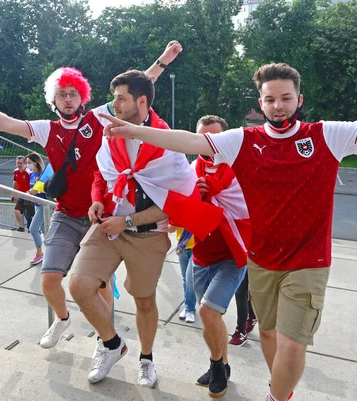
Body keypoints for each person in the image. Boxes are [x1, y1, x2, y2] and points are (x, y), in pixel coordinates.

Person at [98, 50, 357, 401]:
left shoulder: (325, 136)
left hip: (308, 262)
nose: (278, 106)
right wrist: (134, 131)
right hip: (262, 259)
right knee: (268, 333)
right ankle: (281, 389)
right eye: (270, 99)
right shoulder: (244, 140)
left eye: (286, 98)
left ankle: (277, 396)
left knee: (293, 343)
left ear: (299, 100)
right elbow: (191, 141)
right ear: (261, 103)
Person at [0, 41, 183, 350]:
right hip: (67, 213)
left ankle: (106, 341)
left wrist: (164, 60)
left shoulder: (99, 118)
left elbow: (137, 90)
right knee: (49, 279)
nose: (69, 99)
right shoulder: (46, 129)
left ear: (82, 96)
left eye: (73, 93)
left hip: (102, 217)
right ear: (54, 99)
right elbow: (6, 123)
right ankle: (62, 319)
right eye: (62, 94)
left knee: (98, 286)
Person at [68, 69, 224, 389]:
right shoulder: (111, 131)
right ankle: (112, 345)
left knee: (144, 302)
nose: (114, 105)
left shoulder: (167, 141)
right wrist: (97, 200)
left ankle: (146, 359)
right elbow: (103, 174)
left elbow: (175, 203)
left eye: (121, 99)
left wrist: (126, 221)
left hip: (148, 235)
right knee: (79, 286)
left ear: (141, 101)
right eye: (114, 98)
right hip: (108, 228)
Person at [182, 115, 250, 398]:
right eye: (202, 137)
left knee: (207, 312)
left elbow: (249, 207)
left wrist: (216, 192)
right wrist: (192, 195)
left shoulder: (239, 170)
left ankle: (216, 366)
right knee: (210, 318)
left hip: (231, 257)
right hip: (200, 256)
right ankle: (222, 364)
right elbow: (178, 206)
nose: (207, 143)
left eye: (214, 137)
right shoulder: (190, 169)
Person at [168, 224, 196, 324]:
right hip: (182, 247)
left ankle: (190, 308)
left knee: (190, 279)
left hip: (197, 247)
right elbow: (170, 229)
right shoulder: (179, 210)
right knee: (185, 279)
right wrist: (178, 221)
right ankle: (188, 304)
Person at [25, 153, 48, 265]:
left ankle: (39, 254)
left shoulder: (43, 174)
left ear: (36, 162)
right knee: (44, 229)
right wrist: (30, 192)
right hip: (36, 204)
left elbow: (45, 189)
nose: (28, 165)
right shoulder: (32, 174)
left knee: (33, 229)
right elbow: (32, 188)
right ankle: (50, 252)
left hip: (43, 205)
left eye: (29, 163)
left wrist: (36, 191)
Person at [12, 156, 34, 232]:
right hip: (21, 195)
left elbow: (33, 183)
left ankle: (31, 228)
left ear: (25, 163)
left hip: (29, 195)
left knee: (28, 214)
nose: (19, 165)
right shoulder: (16, 171)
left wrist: (30, 192)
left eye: (21, 163)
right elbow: (15, 182)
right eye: (17, 163)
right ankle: (21, 227)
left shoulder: (29, 172)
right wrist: (14, 193)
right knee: (16, 211)